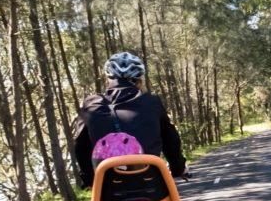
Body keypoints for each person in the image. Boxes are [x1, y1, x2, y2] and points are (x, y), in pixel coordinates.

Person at [74, 51, 187, 189]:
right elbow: (171, 141)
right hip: (151, 184)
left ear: (108, 79)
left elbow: (81, 146)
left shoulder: (90, 105)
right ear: (139, 81)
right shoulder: (152, 103)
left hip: (108, 189)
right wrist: (178, 168)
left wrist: (89, 180)